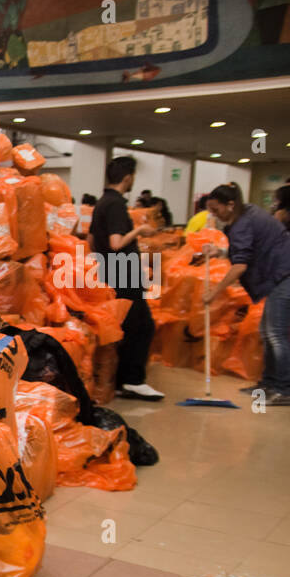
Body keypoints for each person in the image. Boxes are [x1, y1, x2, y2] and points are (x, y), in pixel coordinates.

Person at [203, 184, 290, 406]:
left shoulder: (242, 222)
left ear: (230, 205)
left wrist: (214, 292)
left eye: (216, 209)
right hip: (285, 271)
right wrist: (221, 252)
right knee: (268, 331)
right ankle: (269, 383)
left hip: (289, 273)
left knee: (277, 333)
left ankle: (283, 389)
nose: (214, 214)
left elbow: (241, 265)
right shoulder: (247, 211)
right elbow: (254, 248)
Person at [90, 156, 163, 400]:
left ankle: (122, 378)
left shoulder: (101, 202)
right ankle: (132, 380)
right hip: (124, 273)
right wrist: (140, 230)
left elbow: (92, 241)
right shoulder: (116, 205)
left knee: (126, 327)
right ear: (128, 177)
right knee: (141, 326)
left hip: (109, 273)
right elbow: (117, 242)